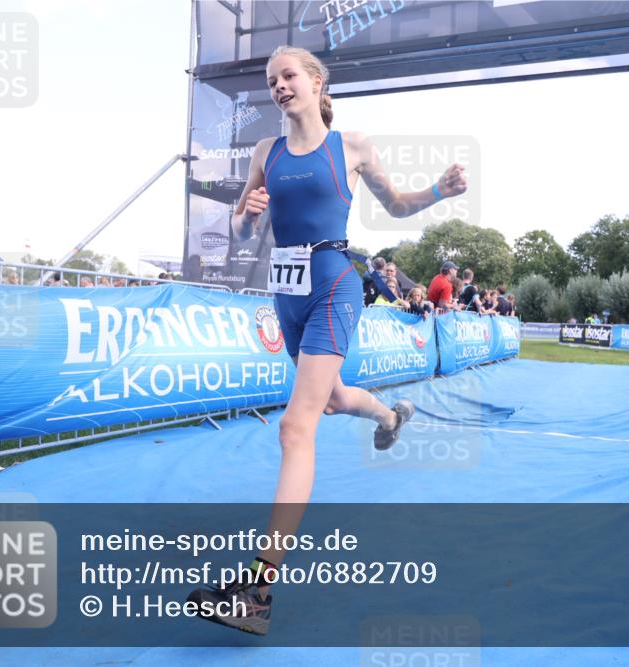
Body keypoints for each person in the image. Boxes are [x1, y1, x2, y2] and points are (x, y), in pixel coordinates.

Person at [187, 44, 467, 635]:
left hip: (334, 285)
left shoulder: (353, 146)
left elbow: (396, 206)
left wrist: (438, 191)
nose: (278, 86)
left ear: (316, 82)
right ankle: (390, 418)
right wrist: (248, 211)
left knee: (296, 425)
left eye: (288, 76)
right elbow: (240, 229)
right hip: (284, 293)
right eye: (271, 80)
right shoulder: (267, 152)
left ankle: (258, 591)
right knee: (335, 397)